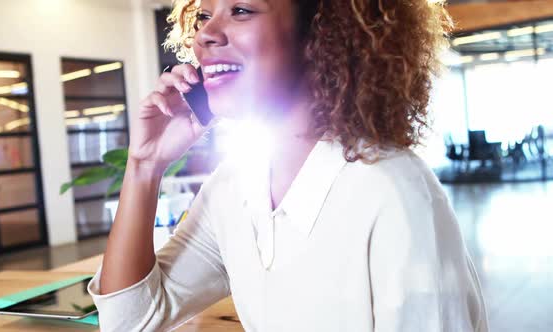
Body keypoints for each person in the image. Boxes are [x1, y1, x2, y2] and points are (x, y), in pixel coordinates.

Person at [88, 0, 489, 331]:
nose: (205, 35)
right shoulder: (234, 187)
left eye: (241, 10)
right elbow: (129, 321)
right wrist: (144, 166)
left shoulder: (393, 191)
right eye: (203, 16)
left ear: (319, 31)